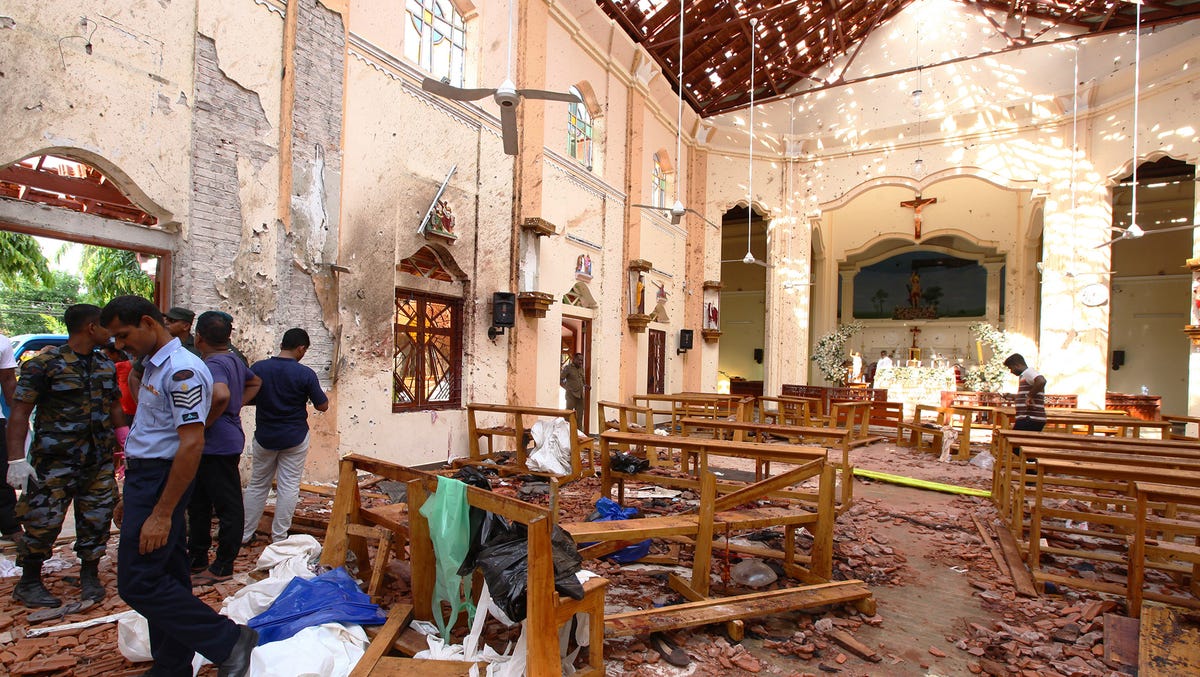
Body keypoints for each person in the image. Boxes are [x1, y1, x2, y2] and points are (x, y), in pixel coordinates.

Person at [100, 295, 257, 676]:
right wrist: (130, 493)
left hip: (160, 480)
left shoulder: (182, 370)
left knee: (137, 582)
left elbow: (191, 443)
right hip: (146, 478)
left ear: (148, 323)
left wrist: (162, 512)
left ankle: (228, 639)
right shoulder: (154, 366)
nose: (120, 345)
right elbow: (151, 431)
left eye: (124, 335)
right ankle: (172, 665)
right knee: (167, 575)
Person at [5, 305, 126, 607]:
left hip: (97, 461)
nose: (110, 334)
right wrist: (16, 460)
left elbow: (114, 408)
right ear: (90, 327)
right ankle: (29, 582)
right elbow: (19, 412)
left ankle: (89, 576)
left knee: (97, 519)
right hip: (54, 462)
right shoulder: (43, 365)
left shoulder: (104, 365)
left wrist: (126, 443)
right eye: (105, 327)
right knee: (42, 522)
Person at [188, 312, 260, 585]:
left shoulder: (214, 363)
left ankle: (222, 565)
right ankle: (197, 558)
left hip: (215, 443)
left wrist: (204, 423)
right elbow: (255, 382)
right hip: (223, 439)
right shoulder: (233, 360)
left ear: (199, 337)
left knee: (224, 505)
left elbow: (220, 395)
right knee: (200, 503)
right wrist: (236, 406)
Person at [242, 328, 328, 544]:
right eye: (305, 350)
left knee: (257, 485)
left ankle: (244, 534)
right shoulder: (305, 374)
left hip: (265, 435)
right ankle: (279, 537)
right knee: (288, 486)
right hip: (295, 436)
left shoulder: (259, 368)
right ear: (301, 348)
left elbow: (247, 397)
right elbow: (323, 405)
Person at [0, 332, 21, 545]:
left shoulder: (2, 342)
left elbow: (8, 380)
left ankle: (10, 526)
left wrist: (17, 417)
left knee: (1, 475)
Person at [1004, 353, 1047, 435]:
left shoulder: (1028, 372)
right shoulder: (1024, 376)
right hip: (1028, 417)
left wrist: (1029, 396)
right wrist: (1012, 396)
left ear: (1017, 365)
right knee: (1018, 444)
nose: (1011, 371)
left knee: (1015, 444)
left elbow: (1041, 381)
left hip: (1029, 418)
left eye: (1011, 368)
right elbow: (1025, 396)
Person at [559, 352, 586, 427]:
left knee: (580, 416)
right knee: (568, 414)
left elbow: (583, 382)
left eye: (581, 360)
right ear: (574, 359)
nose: (580, 362)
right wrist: (566, 388)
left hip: (580, 396)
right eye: (579, 360)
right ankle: (566, 432)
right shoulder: (568, 368)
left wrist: (586, 386)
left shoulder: (581, 369)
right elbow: (560, 379)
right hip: (571, 395)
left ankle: (579, 434)